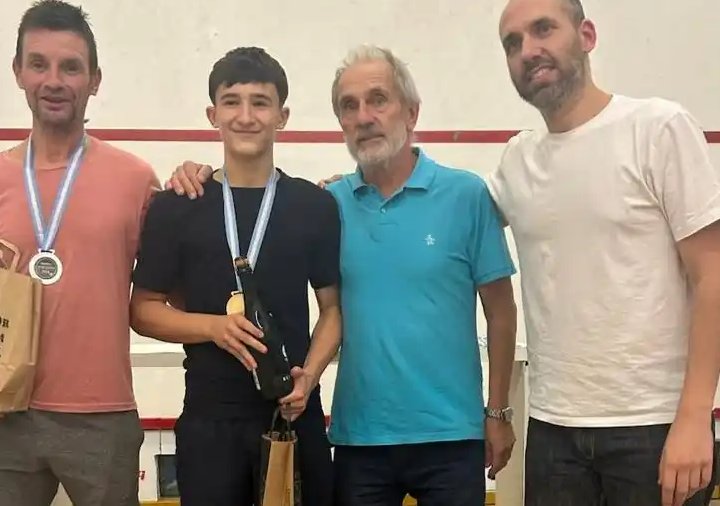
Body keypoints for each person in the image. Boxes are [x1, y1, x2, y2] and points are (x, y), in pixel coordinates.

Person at [166, 45, 520, 506]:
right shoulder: (331, 204)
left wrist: (498, 412)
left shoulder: (466, 195)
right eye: (349, 106)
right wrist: (194, 171)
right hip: (359, 441)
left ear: (411, 112)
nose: (364, 116)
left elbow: (502, 311)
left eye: (378, 100)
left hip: (451, 437)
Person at [487, 0, 720, 506]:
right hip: (552, 431)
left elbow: (713, 274)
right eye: (512, 42)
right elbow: (447, 218)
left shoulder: (657, 128)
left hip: (655, 427)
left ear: (587, 35)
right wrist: (344, 194)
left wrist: (694, 416)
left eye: (543, 29)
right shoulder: (516, 160)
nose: (528, 49)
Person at [0, 0, 159, 506]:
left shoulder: (136, 180)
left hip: (103, 416)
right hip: (1, 409)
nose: (54, 80)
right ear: (18, 72)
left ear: (95, 79)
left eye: (70, 67)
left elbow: (161, 293)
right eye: (39, 64)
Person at [129, 46, 343, 506]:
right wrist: (212, 327)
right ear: (213, 114)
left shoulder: (315, 206)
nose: (246, 116)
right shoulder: (178, 205)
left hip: (293, 412)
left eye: (260, 102)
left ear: (282, 116)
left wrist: (310, 377)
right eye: (232, 101)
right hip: (211, 421)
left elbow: (332, 311)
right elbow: (142, 310)